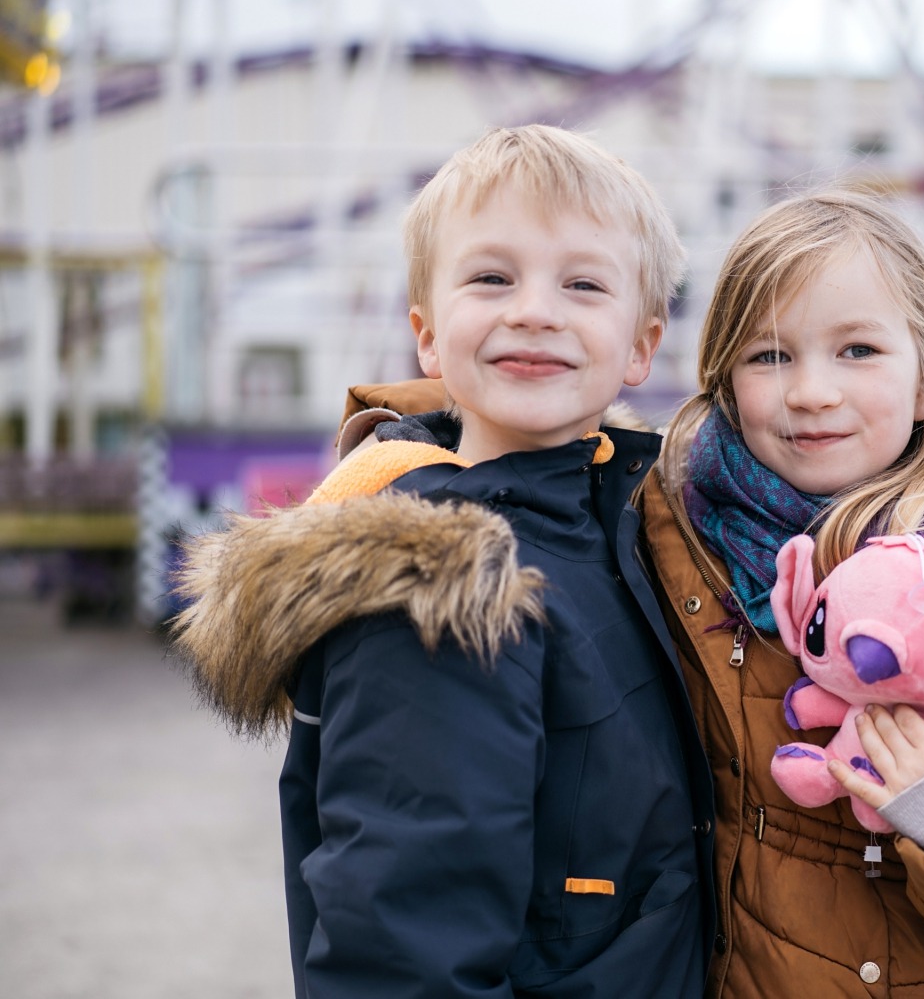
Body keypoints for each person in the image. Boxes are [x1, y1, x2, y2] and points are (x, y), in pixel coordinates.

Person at [340, 189, 924, 997]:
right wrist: (402, 447)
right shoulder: (672, 528)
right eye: (771, 356)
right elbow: (536, 430)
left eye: (857, 350)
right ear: (723, 381)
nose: (812, 391)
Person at [170, 124, 715, 998]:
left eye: (582, 283)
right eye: (492, 278)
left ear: (642, 345)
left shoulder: (631, 529)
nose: (535, 309)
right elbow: (402, 943)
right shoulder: (434, 579)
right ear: (427, 335)